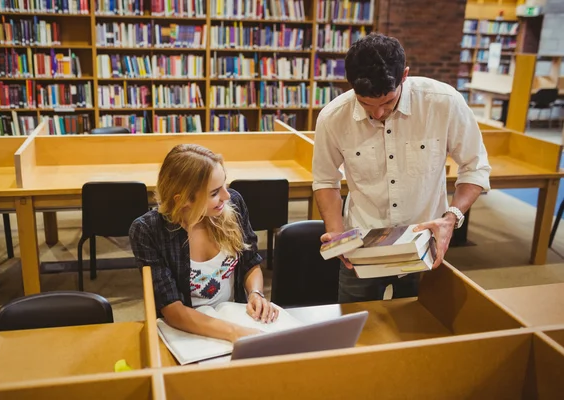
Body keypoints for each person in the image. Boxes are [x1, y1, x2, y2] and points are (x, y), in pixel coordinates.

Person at [312, 33, 491, 303]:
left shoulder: (443, 103)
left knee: (423, 329)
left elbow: (475, 166)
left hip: (424, 243)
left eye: (387, 102)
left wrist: (451, 217)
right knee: (357, 330)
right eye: (365, 104)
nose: (377, 114)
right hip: (362, 245)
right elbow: (326, 180)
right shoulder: (333, 117)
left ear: (404, 75)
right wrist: (336, 231)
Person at [129, 144, 277, 343]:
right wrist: (235, 333)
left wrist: (256, 294)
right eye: (214, 192)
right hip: (189, 333)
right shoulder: (148, 231)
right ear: (183, 200)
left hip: (237, 318)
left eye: (224, 184)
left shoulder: (232, 203)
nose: (226, 196)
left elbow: (250, 262)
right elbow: (172, 309)